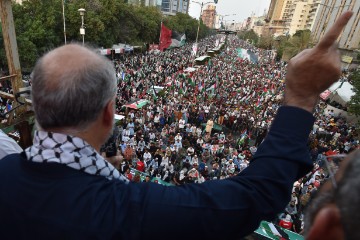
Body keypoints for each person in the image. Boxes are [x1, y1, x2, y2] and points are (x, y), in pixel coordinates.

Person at [0, 11, 353, 240]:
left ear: (39, 110)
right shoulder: (131, 209)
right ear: (109, 112)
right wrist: (301, 95)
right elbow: (256, 195)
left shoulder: (6, 172)